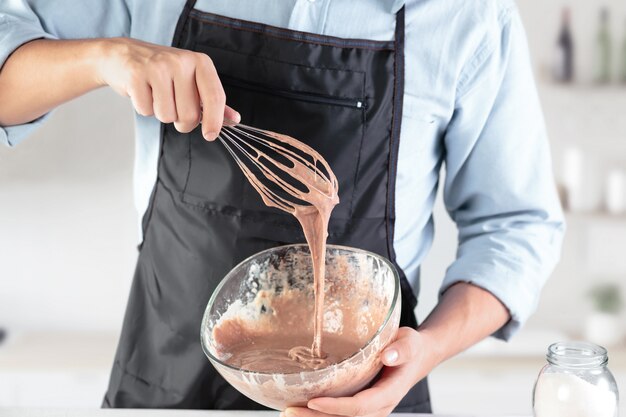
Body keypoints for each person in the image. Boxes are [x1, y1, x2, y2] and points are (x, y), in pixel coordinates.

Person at [0, 0, 565, 415]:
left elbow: (517, 229)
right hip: (166, 385)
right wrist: (107, 57)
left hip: (366, 399)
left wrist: (424, 352)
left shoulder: (467, 18)